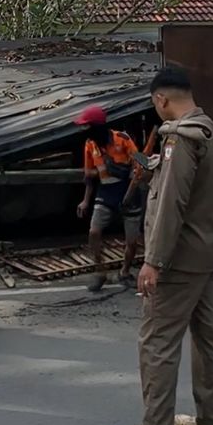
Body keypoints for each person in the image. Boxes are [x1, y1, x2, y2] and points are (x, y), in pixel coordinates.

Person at [109, 65, 213, 425]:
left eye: (155, 103)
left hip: (179, 259)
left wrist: (154, 261)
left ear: (161, 99)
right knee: (208, 338)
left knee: (158, 342)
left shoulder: (179, 138)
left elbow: (170, 204)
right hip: (209, 253)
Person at [75, 105, 143, 290]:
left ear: (97, 126)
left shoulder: (123, 139)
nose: (84, 130)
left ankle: (125, 271)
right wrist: (86, 200)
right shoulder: (90, 145)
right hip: (106, 191)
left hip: (129, 190)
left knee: (131, 241)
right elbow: (89, 175)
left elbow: (139, 164)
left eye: (87, 126)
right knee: (94, 232)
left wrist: (130, 191)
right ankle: (100, 271)